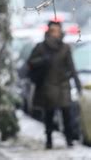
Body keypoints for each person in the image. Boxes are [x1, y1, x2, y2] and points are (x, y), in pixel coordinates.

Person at [27, 20, 82, 149]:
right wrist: (43, 60)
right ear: (49, 31)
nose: (55, 33)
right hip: (48, 86)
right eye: (53, 30)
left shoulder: (65, 47)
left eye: (57, 30)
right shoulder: (41, 47)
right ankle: (49, 139)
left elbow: (71, 67)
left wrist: (77, 83)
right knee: (49, 115)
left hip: (63, 85)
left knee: (67, 114)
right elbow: (31, 63)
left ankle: (69, 139)